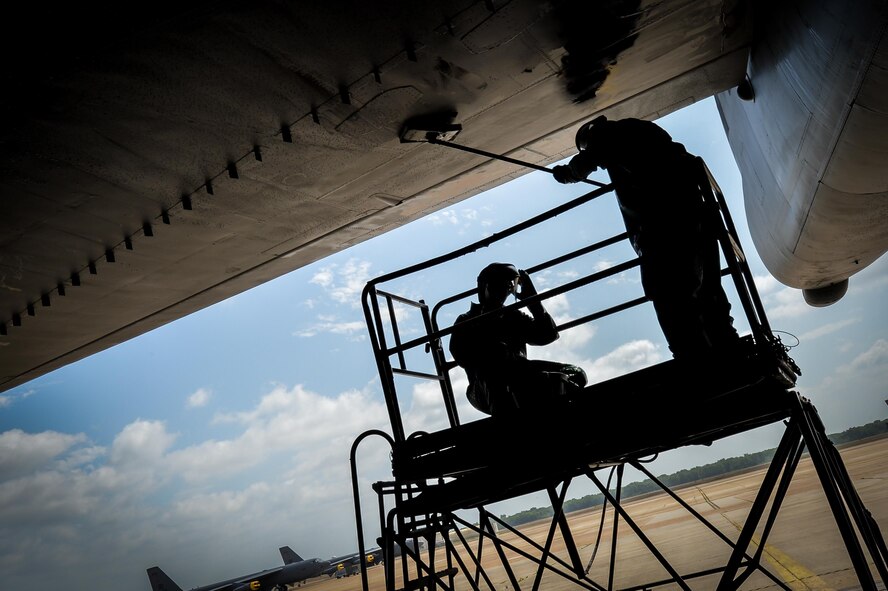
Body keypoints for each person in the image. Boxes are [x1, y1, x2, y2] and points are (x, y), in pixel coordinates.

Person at [552, 116, 740, 359]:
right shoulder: (643, 131)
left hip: (663, 231)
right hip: (697, 219)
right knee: (707, 292)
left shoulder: (610, 136)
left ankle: (696, 361)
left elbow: (584, 163)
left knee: (670, 298)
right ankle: (728, 347)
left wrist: (566, 174)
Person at [449, 262, 587, 416]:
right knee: (494, 373)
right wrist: (491, 343)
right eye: (500, 283)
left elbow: (547, 334)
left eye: (510, 284)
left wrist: (533, 302)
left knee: (575, 373)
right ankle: (511, 428)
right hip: (483, 386)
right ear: (485, 286)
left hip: (521, 374)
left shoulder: (514, 317)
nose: (506, 288)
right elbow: (462, 356)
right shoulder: (467, 320)